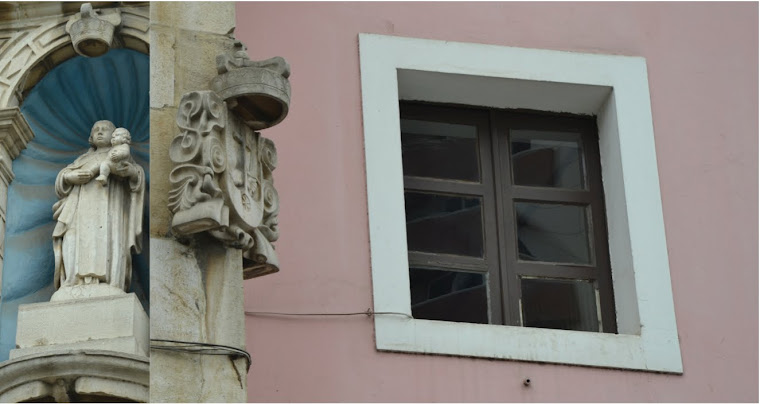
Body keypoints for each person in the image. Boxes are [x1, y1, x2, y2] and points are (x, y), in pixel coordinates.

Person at [51, 120, 145, 299]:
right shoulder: (81, 160)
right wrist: (71, 177)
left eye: (105, 129)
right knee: (74, 239)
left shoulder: (119, 154)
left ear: (114, 135)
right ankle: (72, 281)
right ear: (91, 138)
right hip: (78, 210)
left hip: (110, 208)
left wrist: (129, 172)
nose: (100, 132)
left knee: (107, 240)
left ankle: (110, 281)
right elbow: (62, 179)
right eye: (96, 130)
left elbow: (136, 176)